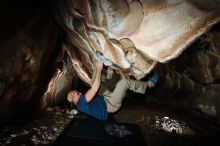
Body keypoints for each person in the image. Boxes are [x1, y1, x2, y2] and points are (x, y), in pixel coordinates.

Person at [67, 60, 159, 120]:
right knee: (124, 83)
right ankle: (148, 85)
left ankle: (104, 64)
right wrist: (98, 69)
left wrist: (96, 65)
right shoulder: (81, 104)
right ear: (74, 98)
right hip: (111, 105)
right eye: (77, 93)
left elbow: (93, 86)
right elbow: (94, 89)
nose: (79, 92)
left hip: (105, 98)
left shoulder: (81, 103)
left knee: (92, 83)